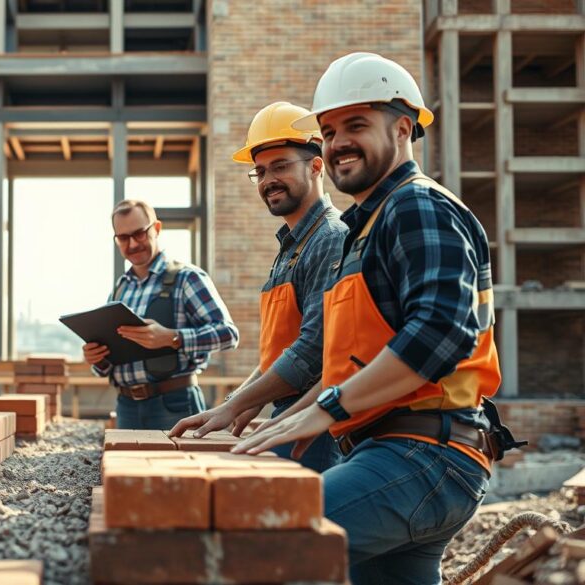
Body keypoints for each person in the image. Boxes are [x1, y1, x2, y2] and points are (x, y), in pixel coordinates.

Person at [235, 53, 519, 585]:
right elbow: (344, 357)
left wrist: (327, 408)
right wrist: (296, 414)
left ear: (404, 128)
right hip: (394, 452)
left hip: (422, 457)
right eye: (329, 130)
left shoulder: (416, 207)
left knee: (260, 545)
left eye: (356, 125)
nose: (339, 141)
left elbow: (441, 333)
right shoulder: (366, 228)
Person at [170, 102, 347, 472]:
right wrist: (241, 400)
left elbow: (313, 350)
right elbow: (279, 351)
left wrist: (232, 405)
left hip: (316, 425)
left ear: (317, 166)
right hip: (288, 413)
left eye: (281, 166)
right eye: (261, 171)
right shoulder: (292, 244)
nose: (268, 180)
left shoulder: (330, 239)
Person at [83, 199, 239, 430]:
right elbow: (107, 362)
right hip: (126, 407)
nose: (133, 243)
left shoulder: (187, 278)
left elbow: (228, 334)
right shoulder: (120, 289)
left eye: (140, 233)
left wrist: (172, 338)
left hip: (174, 405)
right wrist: (97, 358)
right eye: (123, 238)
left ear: (156, 229)